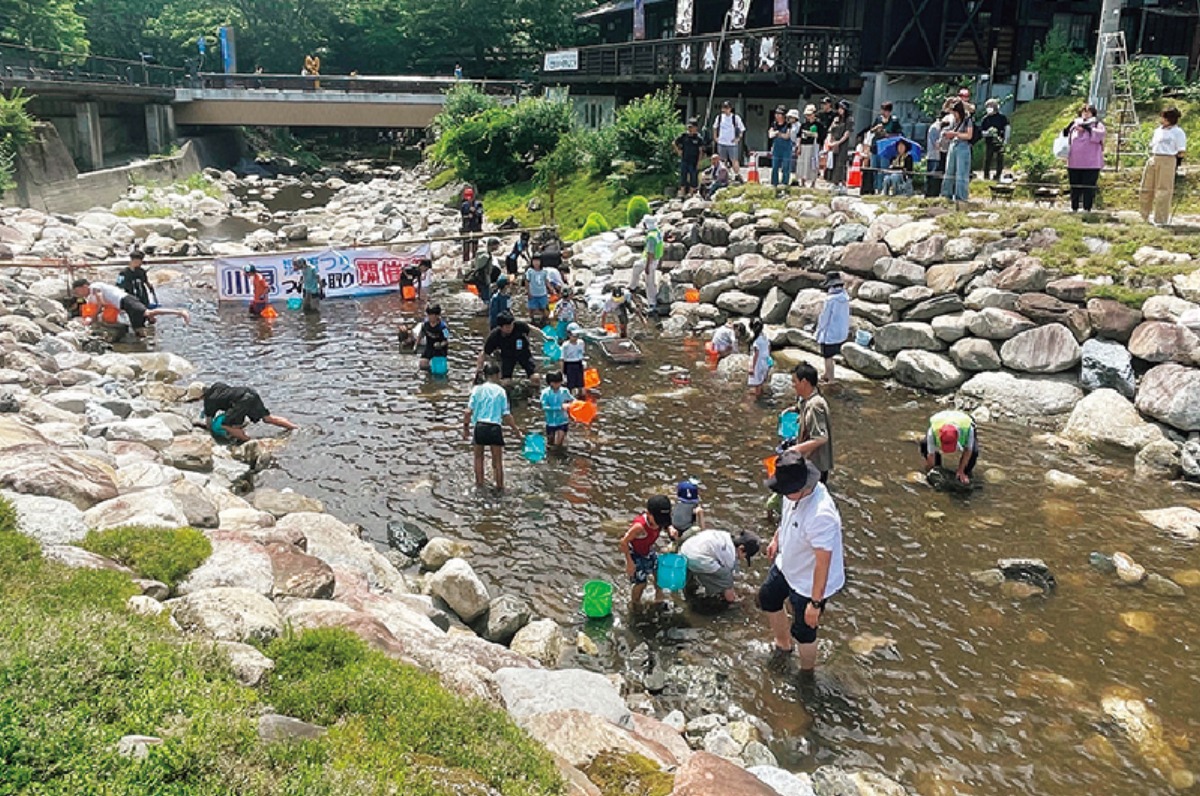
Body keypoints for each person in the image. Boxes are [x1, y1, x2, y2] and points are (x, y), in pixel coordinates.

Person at [758, 451, 845, 671]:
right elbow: (788, 516)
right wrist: (777, 538)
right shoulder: (793, 493)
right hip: (788, 563)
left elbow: (823, 563)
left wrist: (815, 604)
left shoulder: (821, 515)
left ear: (802, 487)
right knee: (768, 597)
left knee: (805, 630)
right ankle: (783, 645)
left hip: (810, 582)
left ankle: (807, 673)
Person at [463, 363, 523, 490]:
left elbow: (467, 412)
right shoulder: (501, 391)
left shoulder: (477, 390)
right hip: (495, 427)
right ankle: (500, 487)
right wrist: (516, 430)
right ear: (497, 375)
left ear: (485, 375)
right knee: (497, 461)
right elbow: (506, 415)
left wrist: (466, 429)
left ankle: (479, 485)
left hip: (480, 426)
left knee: (478, 458)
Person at [72, 278, 189, 338]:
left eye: (78, 291)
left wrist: (93, 318)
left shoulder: (94, 287)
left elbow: (101, 302)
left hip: (126, 301)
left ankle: (180, 312)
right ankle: (151, 332)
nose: (79, 294)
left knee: (148, 313)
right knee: (144, 321)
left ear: (85, 286)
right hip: (125, 303)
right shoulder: (92, 293)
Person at [619, 495, 674, 608]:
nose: (660, 524)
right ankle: (635, 604)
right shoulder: (639, 527)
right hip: (635, 555)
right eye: (658, 520)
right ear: (648, 514)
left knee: (659, 574)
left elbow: (666, 524)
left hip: (648, 551)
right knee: (641, 583)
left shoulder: (660, 521)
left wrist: (670, 529)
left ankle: (658, 599)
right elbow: (623, 542)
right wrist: (629, 563)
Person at [681, 529, 760, 604]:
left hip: (685, 549)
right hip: (695, 558)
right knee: (726, 577)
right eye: (745, 556)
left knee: (699, 571)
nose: (743, 559)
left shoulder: (725, 535)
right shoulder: (730, 556)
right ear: (741, 548)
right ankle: (729, 600)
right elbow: (727, 576)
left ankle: (687, 589)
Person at [201, 382, 297, 442]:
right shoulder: (217, 385)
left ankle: (249, 441)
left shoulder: (209, 402)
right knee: (267, 418)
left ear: (200, 397)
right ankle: (294, 427)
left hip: (242, 401)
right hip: (250, 393)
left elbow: (209, 424)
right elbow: (229, 395)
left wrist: (211, 433)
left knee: (225, 425)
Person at [786, 363, 832, 483]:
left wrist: (794, 450)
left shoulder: (815, 405)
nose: (793, 385)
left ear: (804, 382)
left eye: (794, 381)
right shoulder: (807, 400)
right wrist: (794, 410)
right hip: (809, 462)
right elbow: (803, 409)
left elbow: (821, 438)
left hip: (816, 466)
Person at [1141, 106, 1186, 226]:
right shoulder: (1158, 130)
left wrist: (1177, 165)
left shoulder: (1178, 132)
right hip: (1154, 157)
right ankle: (1144, 216)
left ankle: (1160, 219)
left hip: (1168, 159)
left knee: (1163, 190)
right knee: (1146, 188)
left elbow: (1181, 151)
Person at [1064, 104, 1106, 213]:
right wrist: (1070, 126)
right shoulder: (1075, 124)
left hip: (1091, 163)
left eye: (1088, 111)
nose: (1085, 114)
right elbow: (1064, 135)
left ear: (1093, 113)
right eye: (1084, 111)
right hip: (1074, 162)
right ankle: (1074, 207)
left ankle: (1087, 208)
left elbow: (1100, 136)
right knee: (1074, 186)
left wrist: (1087, 129)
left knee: (1089, 187)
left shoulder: (1097, 124)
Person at [477, 311, 539, 385]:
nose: (510, 328)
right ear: (501, 327)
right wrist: (478, 370)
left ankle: (536, 394)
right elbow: (484, 353)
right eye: (507, 327)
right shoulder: (495, 336)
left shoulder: (519, 326)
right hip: (508, 356)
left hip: (523, 353)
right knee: (506, 382)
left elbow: (531, 328)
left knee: (535, 377)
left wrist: (544, 337)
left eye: (511, 325)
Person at [921, 409, 979, 485]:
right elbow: (931, 454)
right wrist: (930, 470)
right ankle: (937, 467)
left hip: (964, 420)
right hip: (942, 418)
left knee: (974, 451)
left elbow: (968, 450)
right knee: (924, 444)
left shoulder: (967, 429)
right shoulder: (933, 432)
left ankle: (965, 473)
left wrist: (961, 470)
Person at [814, 271, 850, 384]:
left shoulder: (830, 300)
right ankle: (827, 374)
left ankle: (831, 378)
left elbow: (824, 318)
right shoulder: (845, 297)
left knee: (827, 356)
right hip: (841, 332)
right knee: (831, 354)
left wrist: (818, 331)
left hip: (830, 332)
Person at [940, 100, 974, 203]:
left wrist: (955, 134)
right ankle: (946, 195)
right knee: (949, 171)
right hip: (953, 145)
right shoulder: (954, 121)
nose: (954, 114)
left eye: (955, 112)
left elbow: (969, 135)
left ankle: (961, 197)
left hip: (963, 147)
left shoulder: (968, 120)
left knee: (961, 173)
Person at [630, 217, 663, 314]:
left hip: (650, 261)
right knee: (636, 266)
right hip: (655, 259)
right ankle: (632, 286)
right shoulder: (657, 232)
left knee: (649, 282)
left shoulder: (651, 237)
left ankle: (652, 303)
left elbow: (650, 253)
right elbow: (661, 247)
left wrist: (647, 267)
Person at [869, 102, 903, 191]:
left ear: (889, 111)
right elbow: (871, 130)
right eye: (882, 110)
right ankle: (875, 188)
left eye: (885, 111)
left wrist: (888, 135)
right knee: (874, 169)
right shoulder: (878, 119)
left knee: (883, 170)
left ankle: (883, 189)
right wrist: (876, 128)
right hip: (875, 147)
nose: (883, 112)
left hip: (886, 149)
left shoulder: (894, 121)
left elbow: (899, 134)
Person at [712, 100, 746, 180]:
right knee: (722, 160)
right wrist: (715, 137)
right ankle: (724, 176)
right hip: (721, 142)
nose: (725, 110)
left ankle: (737, 175)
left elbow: (742, 129)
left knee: (734, 160)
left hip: (732, 143)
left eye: (727, 108)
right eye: (724, 108)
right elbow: (715, 127)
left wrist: (738, 138)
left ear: (730, 108)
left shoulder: (735, 118)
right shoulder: (719, 117)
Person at [979, 99, 1010, 181]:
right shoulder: (985, 119)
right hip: (989, 142)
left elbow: (1007, 128)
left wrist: (1006, 140)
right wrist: (988, 133)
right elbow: (981, 131)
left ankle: (998, 175)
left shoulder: (1002, 117)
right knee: (987, 159)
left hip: (1000, 141)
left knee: (1000, 159)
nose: (988, 108)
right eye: (987, 106)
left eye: (990, 106)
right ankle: (986, 176)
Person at [825, 101, 852, 193]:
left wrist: (838, 143)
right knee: (834, 163)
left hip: (842, 144)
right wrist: (830, 141)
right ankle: (834, 183)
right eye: (839, 108)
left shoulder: (849, 119)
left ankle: (842, 184)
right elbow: (830, 130)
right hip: (834, 143)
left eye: (842, 108)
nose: (840, 110)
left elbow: (847, 134)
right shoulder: (836, 119)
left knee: (841, 163)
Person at [540, 370, 572, 448]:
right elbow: (544, 407)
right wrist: (559, 408)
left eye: (559, 382)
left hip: (563, 421)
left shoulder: (564, 391)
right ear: (550, 383)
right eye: (555, 383)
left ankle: (558, 454)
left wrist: (572, 405)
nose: (557, 384)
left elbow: (572, 400)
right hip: (550, 422)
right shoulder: (545, 393)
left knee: (558, 444)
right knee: (550, 443)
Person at [796, 105, 825, 188]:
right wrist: (798, 146)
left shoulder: (819, 125)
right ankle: (802, 181)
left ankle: (813, 182)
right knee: (802, 163)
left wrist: (813, 134)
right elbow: (799, 136)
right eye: (807, 115)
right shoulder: (803, 125)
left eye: (809, 114)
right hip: (803, 145)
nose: (808, 116)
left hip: (813, 146)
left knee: (812, 164)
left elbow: (821, 136)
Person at [413, 303, 449, 371]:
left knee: (439, 371)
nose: (429, 317)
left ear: (437, 316)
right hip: (429, 347)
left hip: (440, 350)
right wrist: (415, 345)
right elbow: (421, 335)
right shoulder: (425, 324)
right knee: (422, 366)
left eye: (432, 315)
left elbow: (446, 341)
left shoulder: (444, 327)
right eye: (428, 315)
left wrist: (440, 345)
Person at [674, 118, 705, 197]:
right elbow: (674, 143)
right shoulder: (684, 136)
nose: (690, 129)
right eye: (689, 127)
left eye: (692, 127)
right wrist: (678, 151)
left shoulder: (698, 138)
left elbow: (701, 151)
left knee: (693, 177)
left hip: (693, 161)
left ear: (696, 128)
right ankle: (682, 194)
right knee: (683, 177)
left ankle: (691, 194)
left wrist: (699, 162)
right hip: (685, 159)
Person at [468, 236, 501, 304]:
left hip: (480, 279)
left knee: (484, 297)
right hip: (484, 280)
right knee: (486, 299)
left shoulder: (481, 252)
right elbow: (481, 268)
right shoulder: (486, 256)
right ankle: (485, 312)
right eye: (496, 246)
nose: (497, 248)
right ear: (492, 245)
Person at [768, 106, 794, 188]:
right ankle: (774, 183)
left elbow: (787, 136)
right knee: (775, 166)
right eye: (777, 114)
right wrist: (777, 133)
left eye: (780, 114)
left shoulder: (788, 124)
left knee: (786, 166)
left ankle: (784, 183)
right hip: (776, 148)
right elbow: (770, 135)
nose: (777, 116)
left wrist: (777, 133)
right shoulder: (774, 124)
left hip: (786, 148)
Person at [524, 252, 551, 325]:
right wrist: (528, 292)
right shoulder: (530, 271)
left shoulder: (544, 271)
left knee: (544, 308)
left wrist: (552, 290)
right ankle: (532, 321)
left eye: (538, 261)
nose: (536, 263)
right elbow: (527, 281)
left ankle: (545, 321)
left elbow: (546, 281)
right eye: (534, 261)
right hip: (533, 294)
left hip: (542, 293)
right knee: (532, 309)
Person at [561, 323, 587, 396]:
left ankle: (581, 397)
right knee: (570, 385)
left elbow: (582, 353)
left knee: (581, 384)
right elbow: (562, 359)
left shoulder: (581, 343)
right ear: (569, 335)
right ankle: (570, 397)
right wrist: (562, 373)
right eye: (574, 336)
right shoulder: (565, 345)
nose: (575, 338)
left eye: (577, 336)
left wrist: (583, 361)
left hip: (578, 364)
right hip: (569, 365)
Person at [747, 318, 771, 399]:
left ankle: (756, 401)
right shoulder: (765, 337)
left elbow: (755, 354)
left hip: (758, 364)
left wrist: (751, 367)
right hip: (765, 363)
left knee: (755, 385)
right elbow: (769, 348)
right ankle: (761, 395)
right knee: (761, 382)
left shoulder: (756, 341)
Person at [460, 187, 484, 263]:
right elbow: (463, 215)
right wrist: (467, 216)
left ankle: (475, 259)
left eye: (470, 197)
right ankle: (465, 260)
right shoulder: (464, 205)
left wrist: (475, 211)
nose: (469, 199)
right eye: (467, 197)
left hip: (476, 225)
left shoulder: (478, 204)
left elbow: (480, 213)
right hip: (466, 226)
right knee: (466, 244)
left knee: (475, 243)